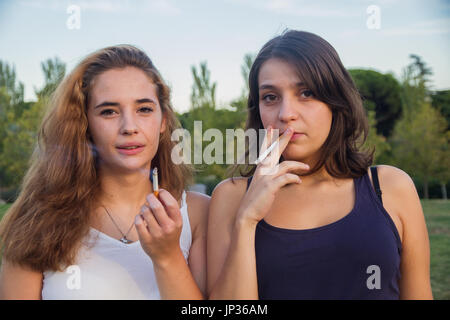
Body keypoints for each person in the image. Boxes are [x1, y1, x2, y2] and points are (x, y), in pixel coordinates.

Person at [207, 30, 432, 300]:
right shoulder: (231, 197)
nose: (286, 113)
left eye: (307, 93)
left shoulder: (391, 188)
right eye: (270, 97)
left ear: (337, 100)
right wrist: (247, 221)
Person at [0, 45, 209, 299]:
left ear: (163, 120)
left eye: (144, 109)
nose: (129, 127)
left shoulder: (200, 214)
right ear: (84, 124)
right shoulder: (36, 220)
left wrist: (168, 257)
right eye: (109, 111)